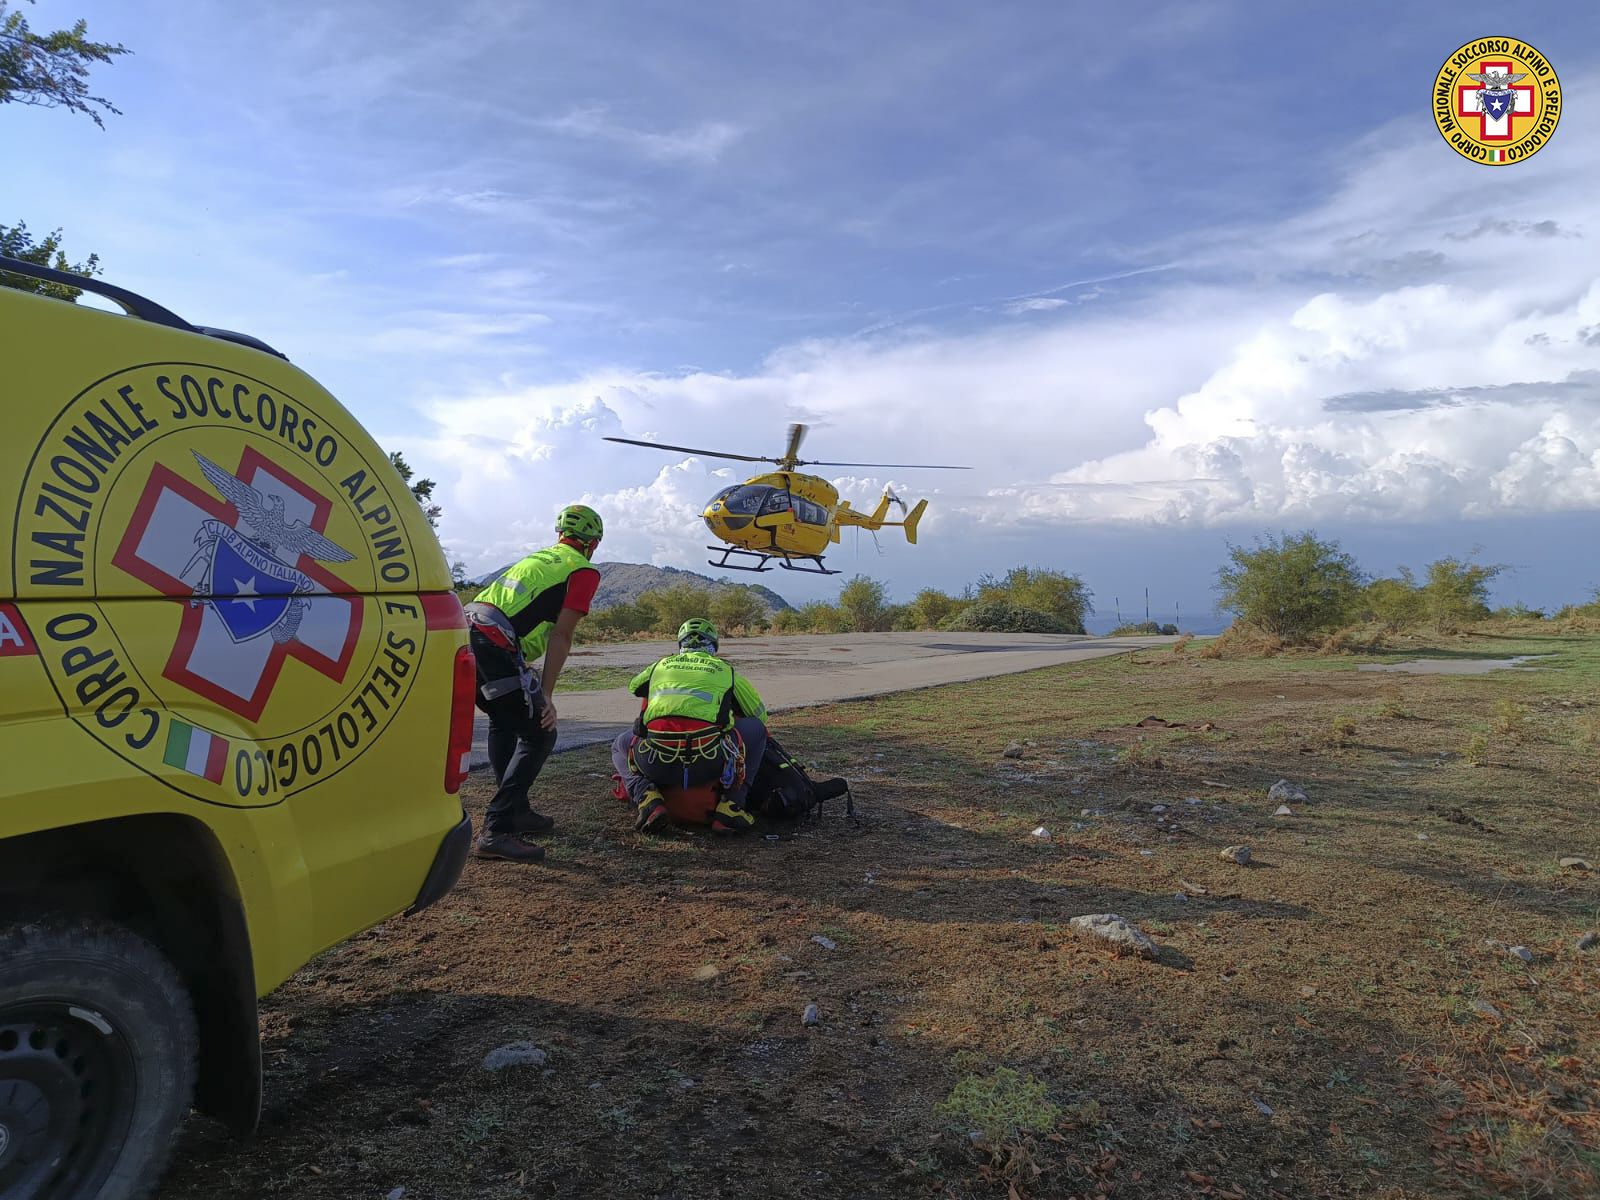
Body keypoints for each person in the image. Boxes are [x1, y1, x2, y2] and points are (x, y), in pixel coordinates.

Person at [465, 504, 604, 863]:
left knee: (504, 719)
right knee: (541, 731)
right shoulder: (583, 570)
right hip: (493, 643)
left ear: (560, 536)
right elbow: (562, 635)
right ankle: (496, 829)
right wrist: (546, 695)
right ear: (592, 543)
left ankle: (517, 811)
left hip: (467, 631)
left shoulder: (538, 559)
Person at [611, 617, 768, 834]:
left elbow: (634, 686)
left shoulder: (661, 665)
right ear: (713, 645)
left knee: (619, 744)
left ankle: (646, 797)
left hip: (655, 761)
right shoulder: (725, 670)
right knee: (757, 730)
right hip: (708, 762)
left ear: (681, 645)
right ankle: (732, 806)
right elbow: (760, 715)